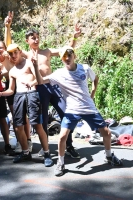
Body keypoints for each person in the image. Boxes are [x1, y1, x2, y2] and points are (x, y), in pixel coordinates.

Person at [38, 46, 123, 176]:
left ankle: (109, 156)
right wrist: (34, 65)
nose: (67, 58)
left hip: (89, 107)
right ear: (61, 59)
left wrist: (93, 93)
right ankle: (60, 163)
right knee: (62, 136)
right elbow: (41, 81)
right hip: (72, 109)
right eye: (64, 56)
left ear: (74, 56)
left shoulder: (85, 68)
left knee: (107, 133)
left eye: (69, 55)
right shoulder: (59, 74)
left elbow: (95, 79)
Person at [5, 21, 82, 158]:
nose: (36, 39)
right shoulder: (26, 55)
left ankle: (68, 145)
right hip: (39, 88)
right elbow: (9, 46)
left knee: (65, 114)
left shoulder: (47, 52)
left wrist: (75, 37)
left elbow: (67, 49)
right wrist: (8, 27)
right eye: (33, 37)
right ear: (27, 41)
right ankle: (44, 148)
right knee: (43, 120)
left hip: (53, 86)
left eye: (37, 36)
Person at [0, 44, 53, 166]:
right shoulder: (12, 71)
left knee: (36, 124)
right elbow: (11, 90)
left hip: (31, 94)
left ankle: (46, 153)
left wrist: (32, 81)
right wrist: (1, 93)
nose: (13, 55)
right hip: (18, 96)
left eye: (15, 52)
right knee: (18, 126)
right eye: (10, 54)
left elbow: (39, 80)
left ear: (19, 52)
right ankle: (25, 152)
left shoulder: (29, 63)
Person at [0, 11, 32, 154]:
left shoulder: (9, 56)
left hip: (20, 86)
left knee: (23, 115)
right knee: (16, 115)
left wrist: (7, 27)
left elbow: (9, 42)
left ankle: (27, 140)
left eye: (1, 47)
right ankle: (21, 140)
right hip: (7, 87)